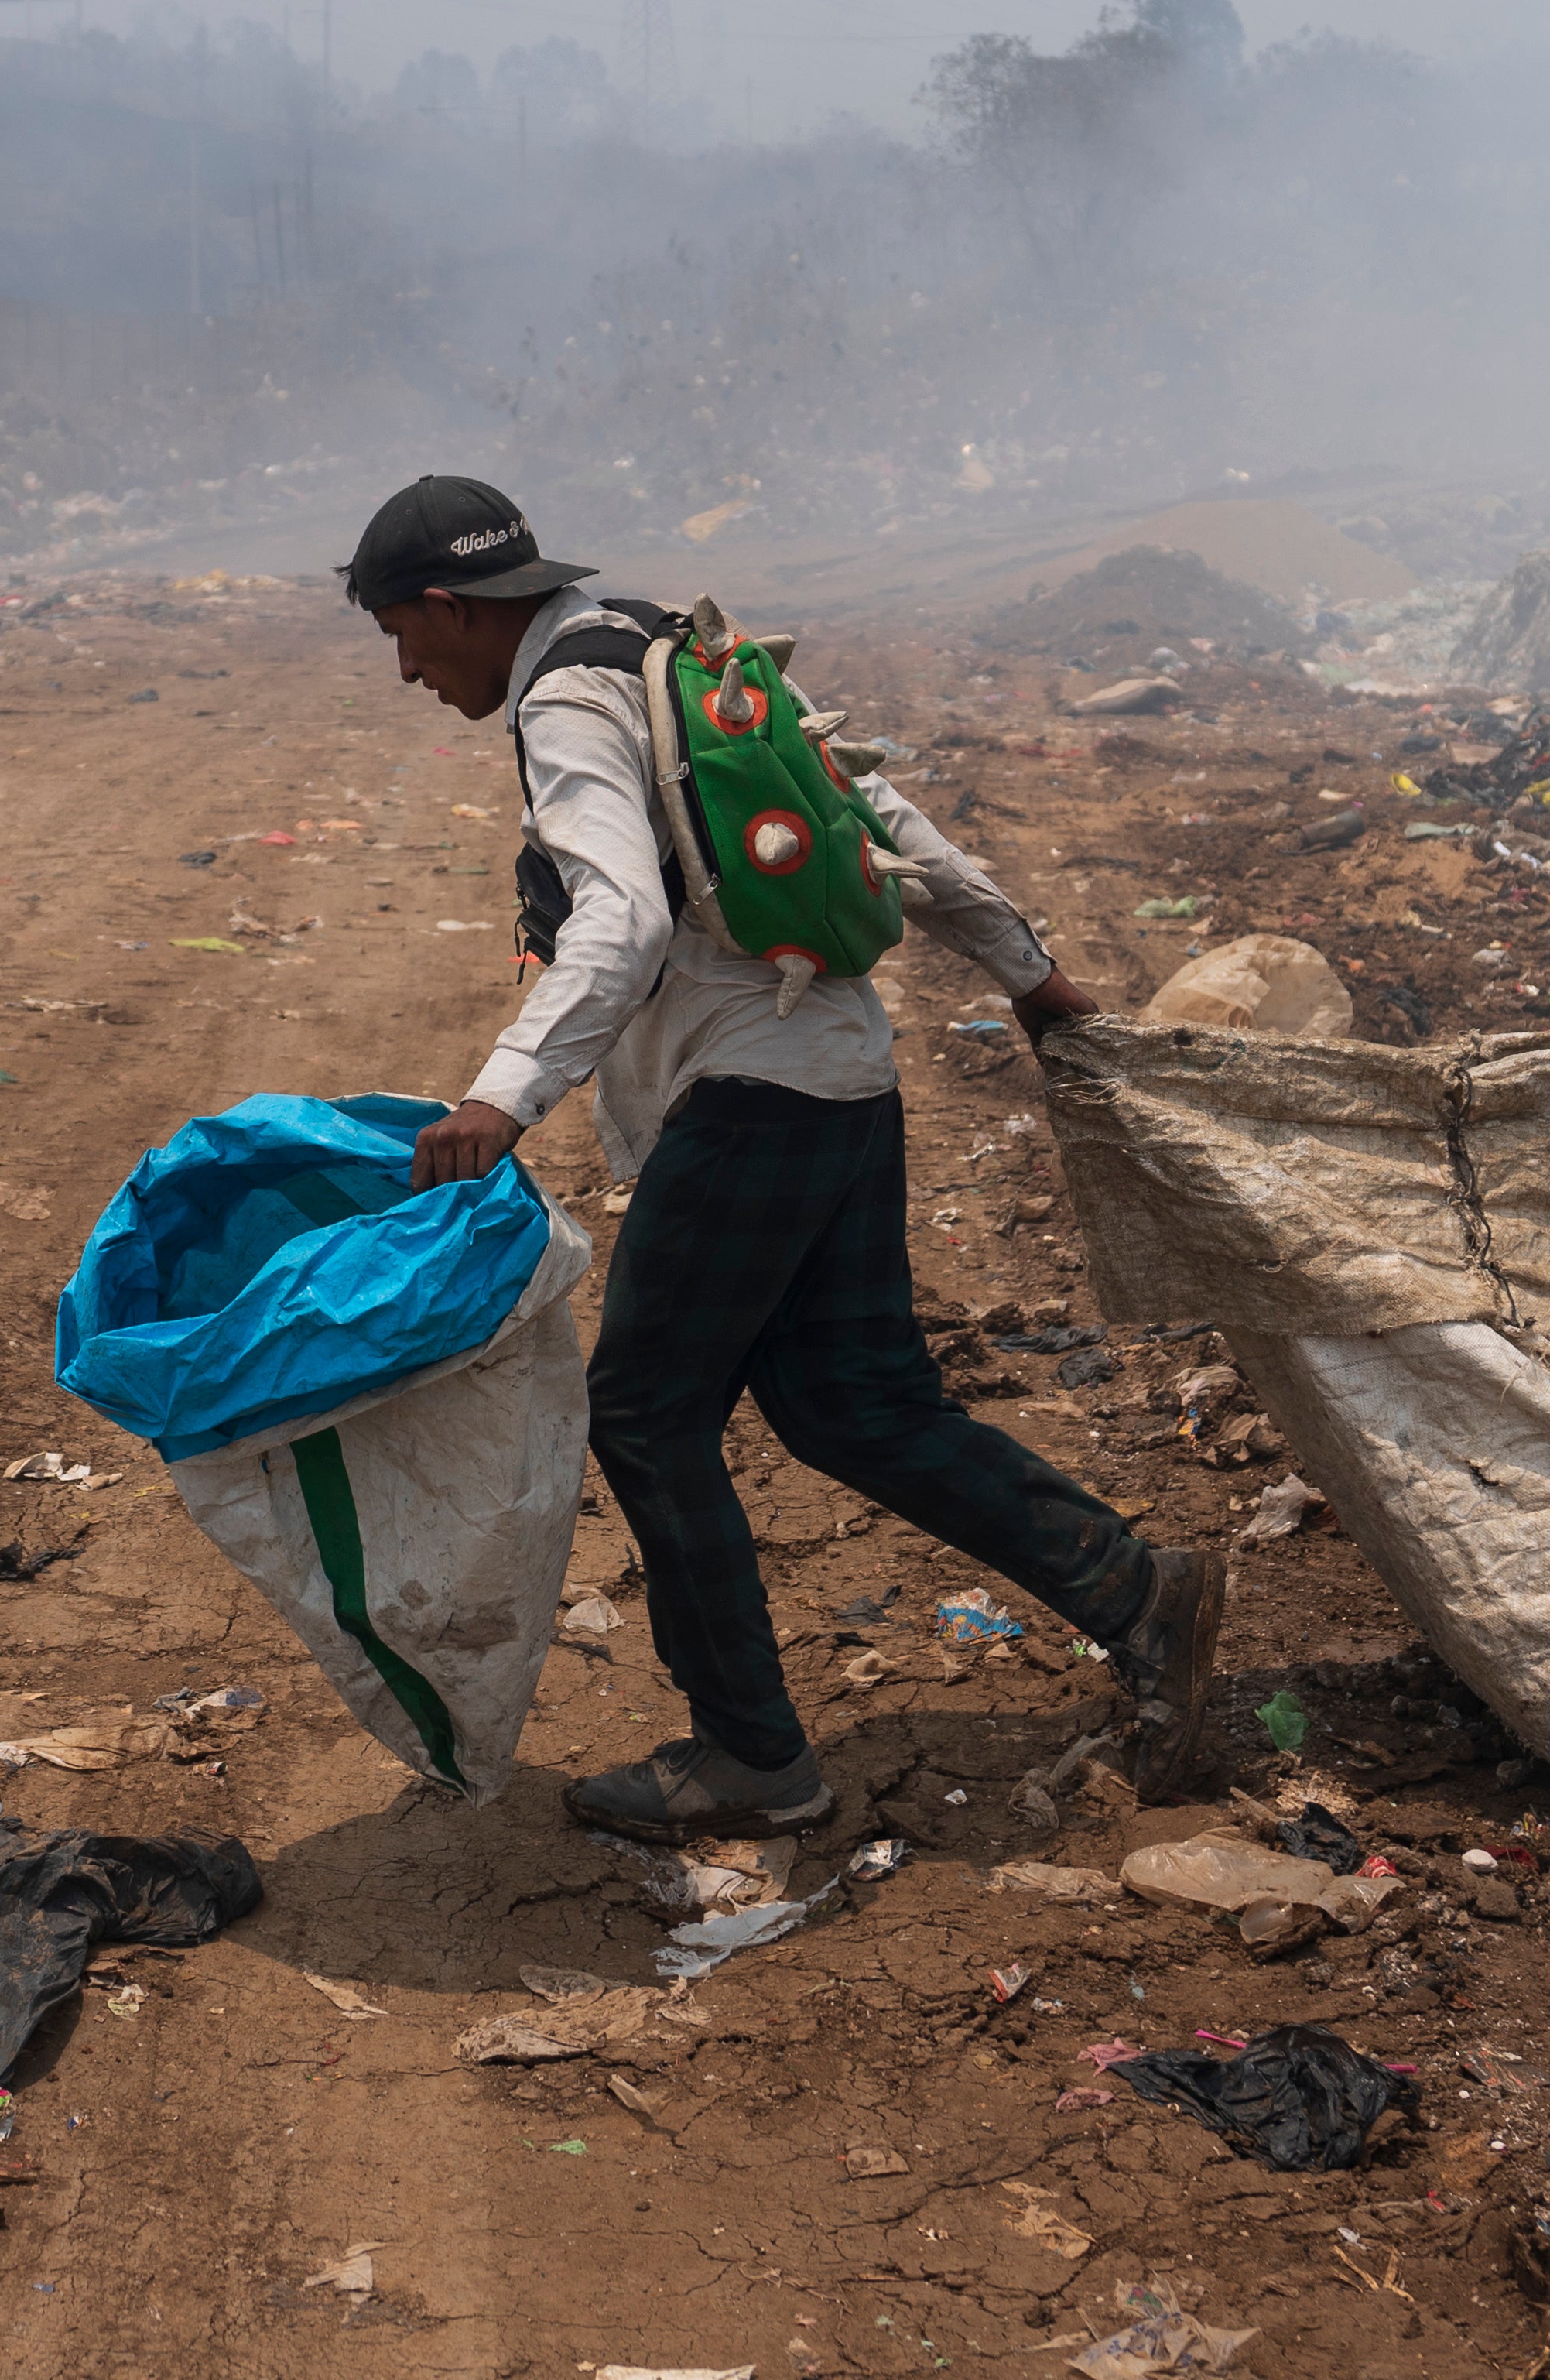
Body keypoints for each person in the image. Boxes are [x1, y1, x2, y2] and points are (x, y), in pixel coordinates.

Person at [342, 473, 1227, 1841]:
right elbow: (879, 813)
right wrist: (1029, 975)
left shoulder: (565, 703)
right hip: (841, 1072)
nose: (407, 669)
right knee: (854, 1405)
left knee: (646, 1413)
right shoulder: (671, 647)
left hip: (750, 1096)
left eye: (403, 634)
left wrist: (502, 1099)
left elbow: (623, 919)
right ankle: (1137, 1591)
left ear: (453, 607)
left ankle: (752, 1753)